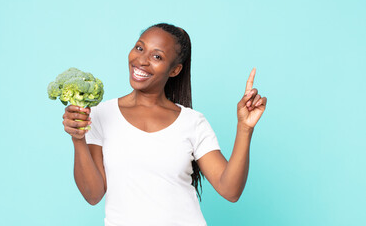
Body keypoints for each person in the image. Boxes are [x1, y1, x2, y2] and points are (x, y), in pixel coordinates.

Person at [62, 23, 267, 226]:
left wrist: (245, 128)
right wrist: (78, 139)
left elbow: (230, 191)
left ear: (175, 70)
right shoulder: (101, 115)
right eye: (140, 48)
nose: (141, 60)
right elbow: (93, 195)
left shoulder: (193, 122)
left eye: (157, 56)